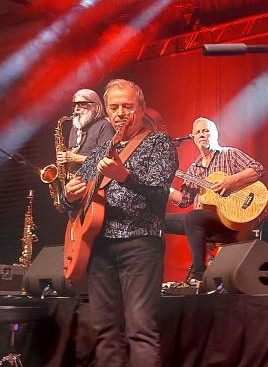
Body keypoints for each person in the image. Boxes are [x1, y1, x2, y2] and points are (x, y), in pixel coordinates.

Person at [64, 79, 178, 367]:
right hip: (99, 246)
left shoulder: (159, 142)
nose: (120, 113)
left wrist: (123, 175)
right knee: (105, 332)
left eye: (127, 106)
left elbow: (159, 191)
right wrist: (67, 197)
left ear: (141, 108)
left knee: (141, 329)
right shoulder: (102, 148)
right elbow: (74, 201)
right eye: (114, 107)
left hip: (139, 243)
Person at [166, 117, 265, 281]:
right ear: (193, 138)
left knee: (193, 216)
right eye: (197, 132)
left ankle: (199, 274)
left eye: (205, 130)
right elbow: (184, 200)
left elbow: (258, 170)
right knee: (157, 220)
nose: (202, 135)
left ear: (215, 134)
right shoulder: (194, 168)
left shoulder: (230, 154)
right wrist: (165, 189)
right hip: (201, 222)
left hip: (230, 218)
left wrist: (230, 180)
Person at [56, 88, 114, 174]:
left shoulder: (104, 125)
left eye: (81, 104)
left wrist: (75, 158)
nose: (76, 109)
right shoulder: (75, 127)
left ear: (95, 105)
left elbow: (106, 161)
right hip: (75, 179)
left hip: (94, 180)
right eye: (75, 105)